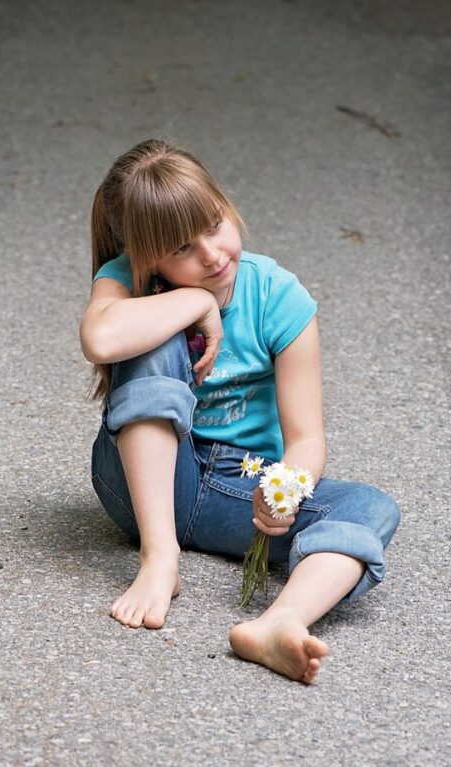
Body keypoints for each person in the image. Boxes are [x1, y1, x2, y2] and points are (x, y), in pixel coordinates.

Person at [79, 138, 400, 684]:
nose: (212, 255)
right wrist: (196, 302)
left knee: (370, 508)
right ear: (144, 257)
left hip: (239, 488)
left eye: (214, 224)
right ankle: (160, 558)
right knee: (155, 334)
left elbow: (306, 438)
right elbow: (101, 340)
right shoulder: (126, 280)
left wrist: (286, 490)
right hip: (142, 484)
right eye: (182, 248)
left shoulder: (277, 296)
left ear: (227, 206)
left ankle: (280, 622)